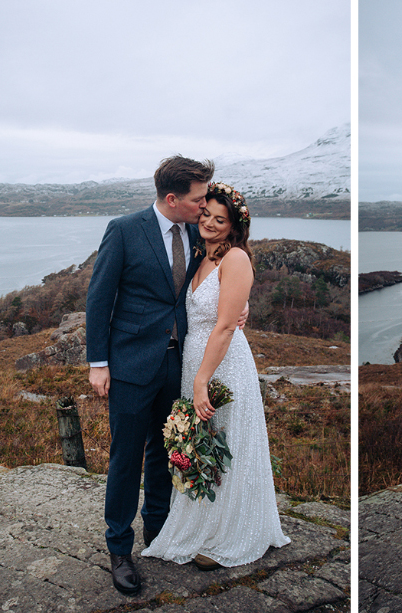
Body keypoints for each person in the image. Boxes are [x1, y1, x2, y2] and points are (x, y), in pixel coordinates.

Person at [141, 181, 290, 569]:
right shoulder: (197, 252)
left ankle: (227, 532)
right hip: (196, 361)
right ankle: (202, 522)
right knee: (202, 444)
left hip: (222, 365)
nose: (207, 221)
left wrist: (201, 380)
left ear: (233, 226)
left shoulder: (235, 258)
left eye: (219, 219)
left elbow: (224, 327)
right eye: (205, 213)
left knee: (228, 443)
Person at [86, 155, 214, 595]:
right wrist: (98, 363)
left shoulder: (199, 231)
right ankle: (119, 549)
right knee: (126, 458)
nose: (205, 204)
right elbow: (99, 299)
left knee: (167, 452)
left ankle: (157, 535)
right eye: (198, 198)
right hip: (130, 364)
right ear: (173, 198)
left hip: (179, 365)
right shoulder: (124, 230)